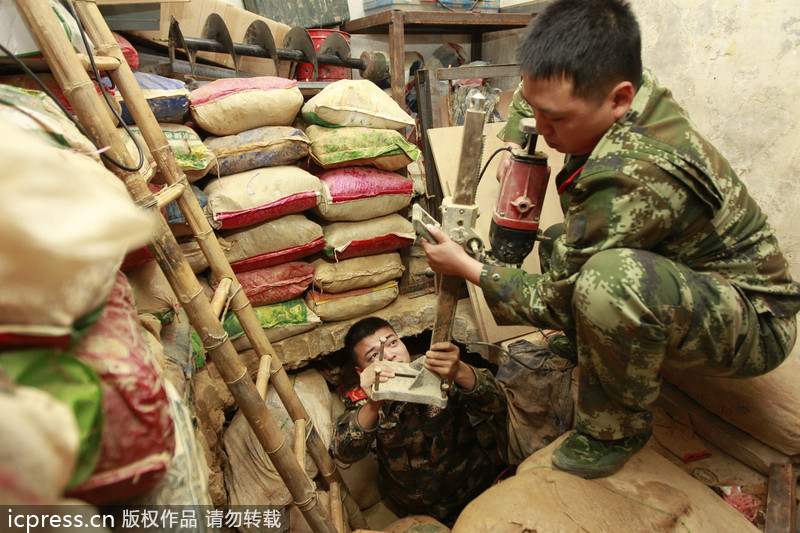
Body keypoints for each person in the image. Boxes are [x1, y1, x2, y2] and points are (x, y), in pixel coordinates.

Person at [420, 0, 800, 480]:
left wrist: (468, 267)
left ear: (618, 98)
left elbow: (564, 300)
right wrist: (519, 143)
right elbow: (529, 100)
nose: (544, 129)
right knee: (562, 239)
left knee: (605, 282)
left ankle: (613, 430)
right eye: (537, 112)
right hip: (702, 276)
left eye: (555, 119)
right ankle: (593, 345)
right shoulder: (629, 88)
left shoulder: (630, 171)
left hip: (758, 320)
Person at [331, 317, 506, 526]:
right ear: (362, 371)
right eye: (374, 355)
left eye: (393, 342)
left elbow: (496, 403)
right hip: (419, 513)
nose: (389, 355)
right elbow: (344, 452)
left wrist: (459, 371)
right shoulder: (366, 399)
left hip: (474, 491)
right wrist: (374, 402)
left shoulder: (437, 370)